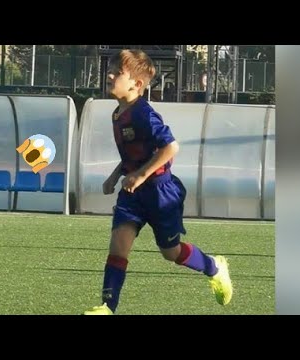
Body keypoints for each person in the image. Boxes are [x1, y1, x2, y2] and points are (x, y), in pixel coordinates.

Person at [83, 49, 232, 315]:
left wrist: (140, 176)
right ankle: (107, 308)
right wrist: (116, 174)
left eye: (118, 72)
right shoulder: (118, 113)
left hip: (161, 193)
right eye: (111, 69)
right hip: (132, 195)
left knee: (171, 252)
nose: (110, 74)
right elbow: (136, 153)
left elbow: (170, 147)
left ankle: (214, 267)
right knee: (119, 244)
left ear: (136, 84)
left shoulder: (143, 114)